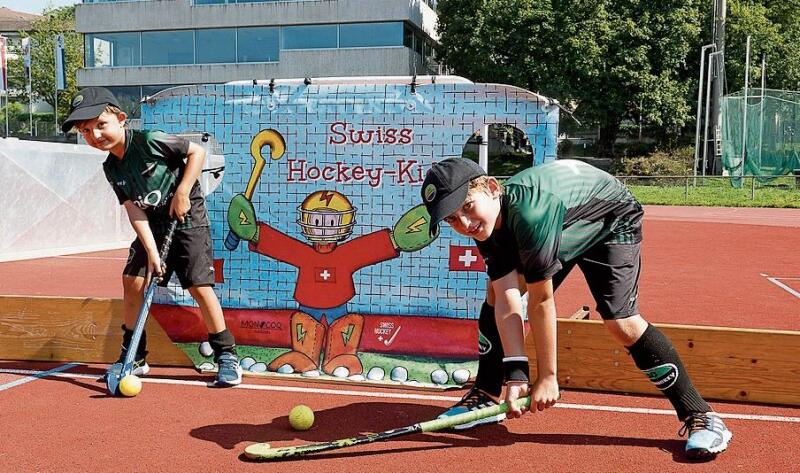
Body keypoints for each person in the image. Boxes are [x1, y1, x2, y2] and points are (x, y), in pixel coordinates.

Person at [421, 157, 732, 460]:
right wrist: (517, 375)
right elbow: (507, 298)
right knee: (496, 293)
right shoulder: (484, 224)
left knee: (620, 323)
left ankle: (701, 415)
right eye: (451, 218)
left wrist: (547, 377)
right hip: (565, 219)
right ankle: (486, 395)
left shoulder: (529, 216)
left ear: (491, 188)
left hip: (611, 219)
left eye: (467, 207)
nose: (463, 223)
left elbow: (541, 302)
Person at [62, 87, 242, 387]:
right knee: (132, 282)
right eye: (86, 131)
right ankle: (134, 355)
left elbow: (197, 152)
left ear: (120, 119)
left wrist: (183, 192)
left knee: (198, 286)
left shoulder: (149, 140)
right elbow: (134, 210)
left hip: (187, 222)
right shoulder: (111, 167)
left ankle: (226, 355)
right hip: (153, 227)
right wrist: (152, 252)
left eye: (100, 125)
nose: (95, 135)